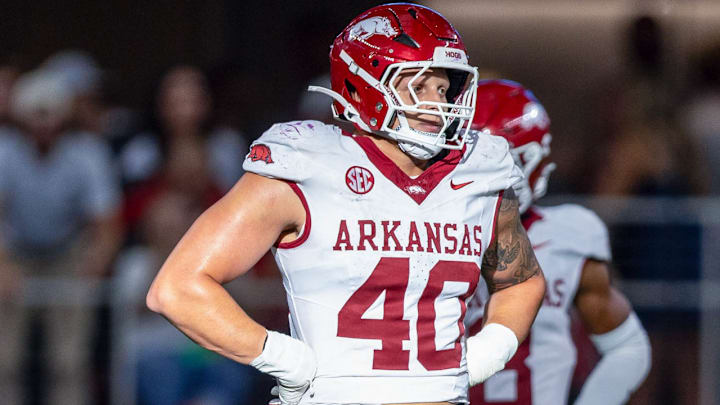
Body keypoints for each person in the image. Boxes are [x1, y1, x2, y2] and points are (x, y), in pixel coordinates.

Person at [147, 4, 545, 405]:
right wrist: (285, 358)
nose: (436, 104)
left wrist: (487, 352)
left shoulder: (478, 171)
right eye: (418, 86)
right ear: (361, 86)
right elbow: (178, 287)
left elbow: (522, 280)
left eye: (443, 89)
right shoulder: (306, 163)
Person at [465, 80, 651, 405]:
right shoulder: (431, 232)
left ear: (532, 161)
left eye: (494, 160)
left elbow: (628, 347)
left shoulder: (569, 236)